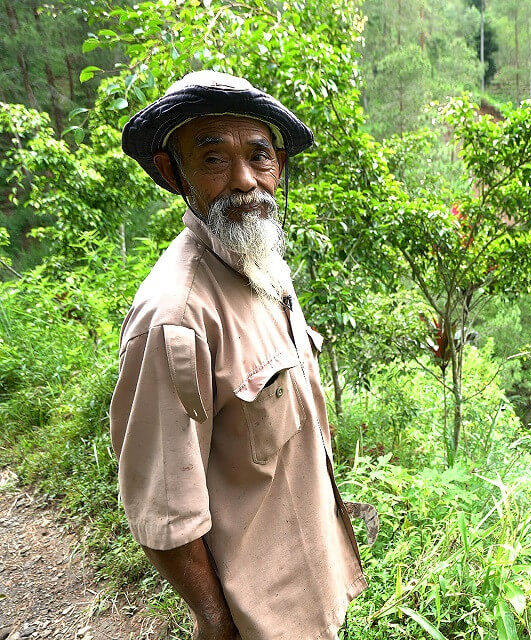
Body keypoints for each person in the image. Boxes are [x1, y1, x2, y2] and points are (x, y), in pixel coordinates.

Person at [111, 71, 367, 640]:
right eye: (213, 159)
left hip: (312, 584)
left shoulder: (260, 264)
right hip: (257, 621)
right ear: (171, 171)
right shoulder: (175, 317)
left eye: (259, 155)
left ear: (279, 164)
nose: (245, 181)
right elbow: (165, 510)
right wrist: (217, 622)